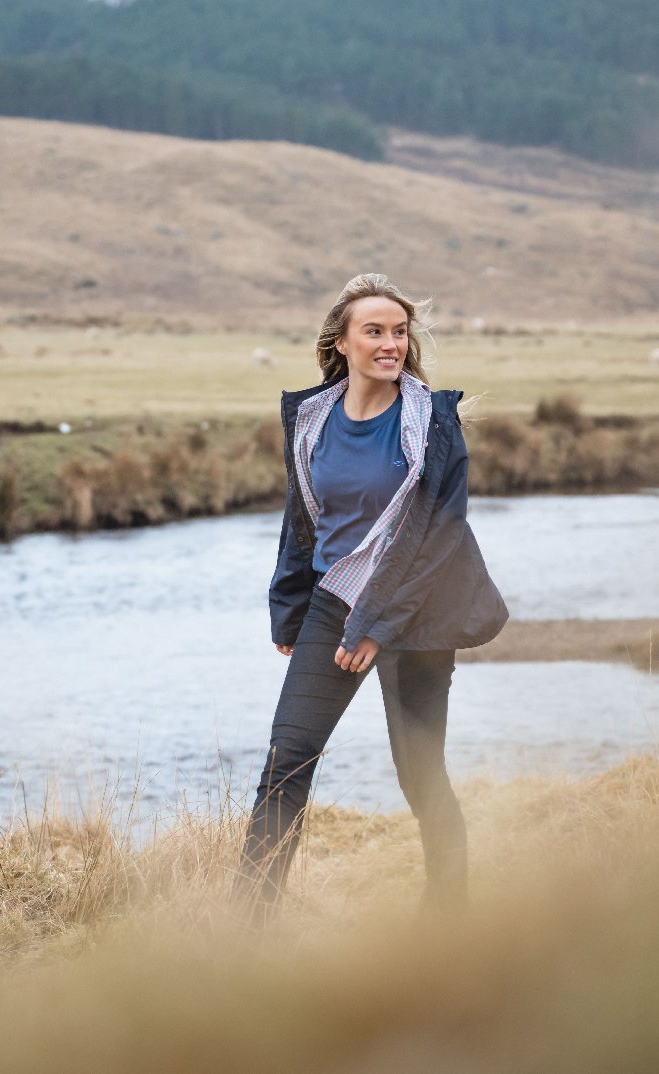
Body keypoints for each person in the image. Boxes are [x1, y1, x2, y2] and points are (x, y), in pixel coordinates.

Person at [232, 273, 508, 927]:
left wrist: (379, 625)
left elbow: (440, 535)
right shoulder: (311, 420)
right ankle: (246, 929)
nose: (390, 344)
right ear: (342, 342)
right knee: (285, 763)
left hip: (417, 611)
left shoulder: (432, 422)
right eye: (375, 331)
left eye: (399, 332)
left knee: (420, 775)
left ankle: (448, 919)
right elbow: (304, 519)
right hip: (335, 603)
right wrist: (290, 610)